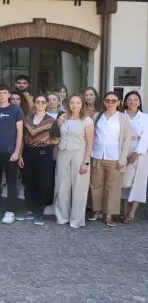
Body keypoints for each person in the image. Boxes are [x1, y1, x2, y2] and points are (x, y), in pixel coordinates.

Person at [90, 92, 132, 227]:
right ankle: (97, 211)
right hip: (97, 155)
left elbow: (127, 139)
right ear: (104, 102)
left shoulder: (123, 118)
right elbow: (92, 135)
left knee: (112, 188)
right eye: (107, 100)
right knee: (96, 185)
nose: (110, 103)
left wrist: (123, 159)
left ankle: (109, 215)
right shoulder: (97, 116)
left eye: (113, 101)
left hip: (115, 158)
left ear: (118, 103)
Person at [0, 84, 24, 224]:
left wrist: (17, 151)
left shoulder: (16, 110)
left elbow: (20, 133)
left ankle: (10, 211)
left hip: (10, 152)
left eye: (4, 93)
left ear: (9, 95)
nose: (2, 95)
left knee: (11, 182)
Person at [19, 95, 61, 226]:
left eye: (43, 102)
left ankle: (39, 212)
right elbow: (22, 138)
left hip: (44, 153)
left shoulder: (51, 121)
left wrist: (45, 141)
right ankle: (30, 210)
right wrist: (20, 155)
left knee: (42, 182)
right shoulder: (27, 119)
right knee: (28, 181)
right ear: (34, 104)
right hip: (28, 151)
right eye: (38, 102)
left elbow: (57, 139)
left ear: (47, 104)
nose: (40, 104)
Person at [54, 94, 93, 228]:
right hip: (62, 154)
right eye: (71, 102)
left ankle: (76, 220)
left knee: (79, 188)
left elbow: (90, 143)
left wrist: (86, 162)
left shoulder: (87, 120)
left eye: (77, 102)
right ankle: (62, 217)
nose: (74, 105)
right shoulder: (63, 118)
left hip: (79, 155)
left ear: (82, 105)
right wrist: (59, 121)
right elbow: (55, 134)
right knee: (62, 186)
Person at [122, 91, 148, 224]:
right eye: (130, 99)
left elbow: (146, 136)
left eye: (135, 99)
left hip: (140, 151)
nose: (132, 102)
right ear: (126, 101)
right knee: (124, 181)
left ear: (139, 102)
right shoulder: (121, 115)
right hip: (123, 149)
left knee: (138, 182)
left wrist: (137, 153)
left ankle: (132, 212)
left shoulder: (145, 117)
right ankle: (124, 210)